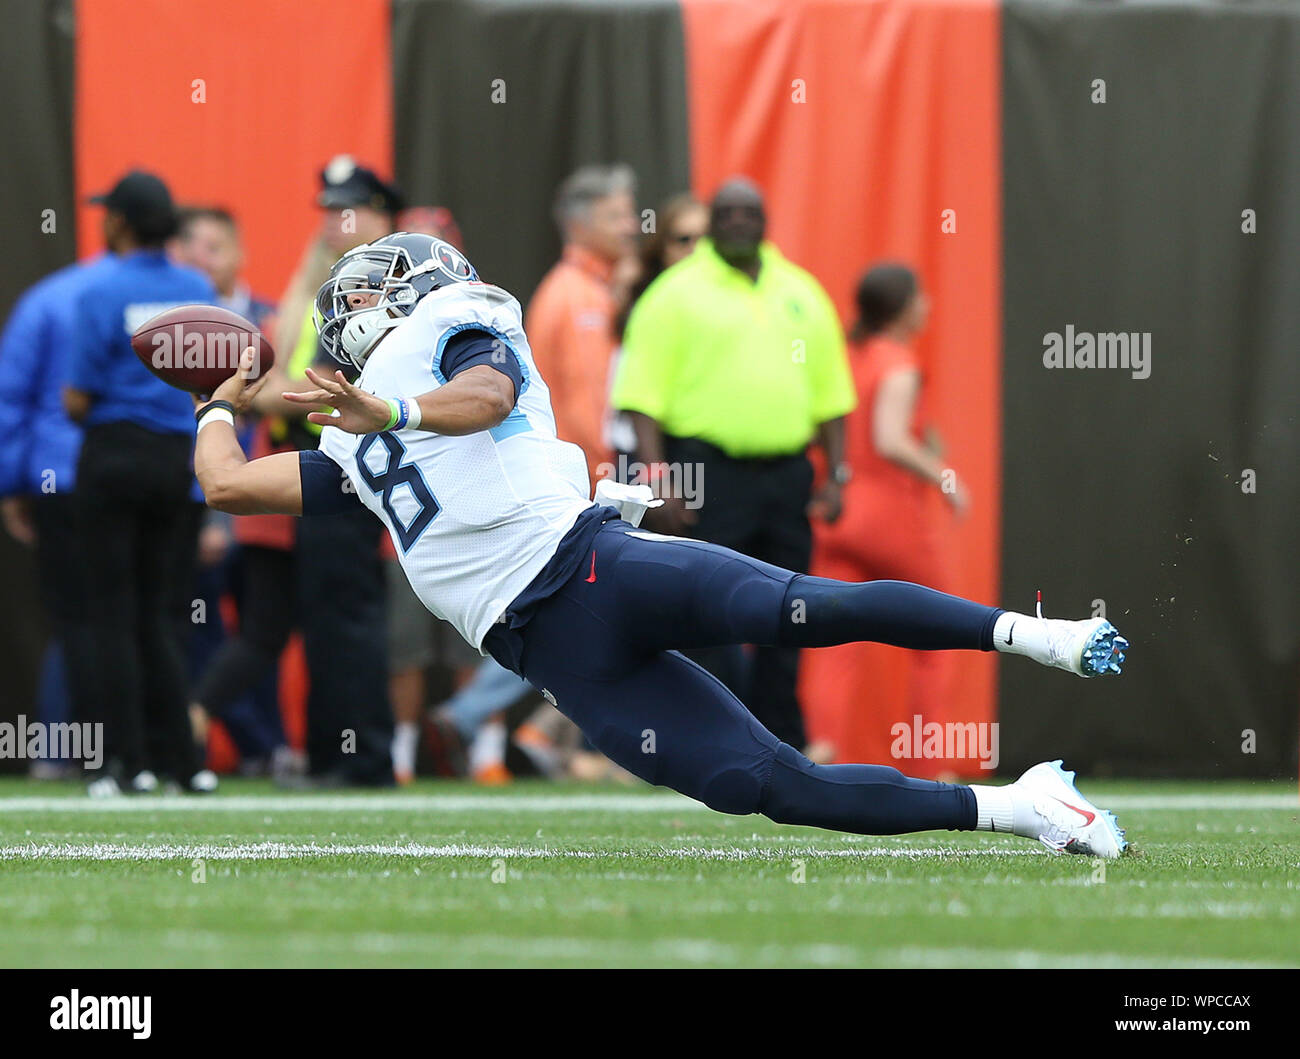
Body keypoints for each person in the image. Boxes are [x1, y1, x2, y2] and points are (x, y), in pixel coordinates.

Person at [188, 232, 1131, 859]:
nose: (352, 305)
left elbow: (489, 398)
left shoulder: (448, 331)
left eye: (367, 290)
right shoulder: (352, 442)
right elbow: (228, 484)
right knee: (764, 785)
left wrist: (387, 406)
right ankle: (1019, 804)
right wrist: (220, 402)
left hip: (595, 563)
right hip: (546, 648)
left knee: (803, 610)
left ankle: (1041, 636)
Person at [611, 177, 855, 758]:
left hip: (787, 474)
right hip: (708, 472)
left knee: (792, 607)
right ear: (714, 222)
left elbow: (831, 398)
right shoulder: (674, 294)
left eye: (752, 212)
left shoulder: (801, 291)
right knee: (711, 604)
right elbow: (641, 398)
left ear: (767, 220)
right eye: (729, 213)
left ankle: (782, 741)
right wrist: (660, 479)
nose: (741, 221)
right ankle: (720, 738)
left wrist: (838, 474)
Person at [62, 170, 218, 795]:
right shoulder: (196, 287)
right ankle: (185, 762)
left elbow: (76, 397)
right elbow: (215, 377)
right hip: (179, 461)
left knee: (110, 615)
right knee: (163, 616)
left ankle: (121, 763)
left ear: (119, 222)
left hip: (113, 458)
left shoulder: (98, 290)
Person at [802, 264, 966, 766]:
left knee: (831, 640)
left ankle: (823, 745)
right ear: (902, 308)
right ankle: (931, 761)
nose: (929, 307)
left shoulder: (847, 358)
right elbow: (888, 438)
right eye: (922, 298)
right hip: (890, 518)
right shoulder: (899, 362)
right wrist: (944, 477)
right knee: (944, 631)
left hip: (836, 513)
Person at [526, 164, 639, 488]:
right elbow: (587, 401)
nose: (630, 226)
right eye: (615, 217)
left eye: (630, 215)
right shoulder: (577, 297)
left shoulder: (597, 288)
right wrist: (607, 480)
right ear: (577, 226)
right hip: (588, 478)